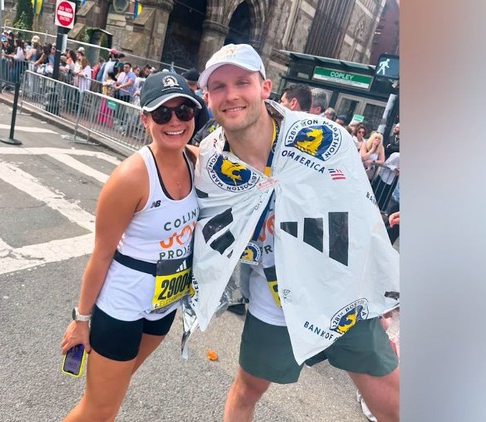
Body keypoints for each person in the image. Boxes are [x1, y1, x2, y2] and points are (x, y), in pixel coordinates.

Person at [190, 44, 400, 422]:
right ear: (207, 98)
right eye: (218, 87)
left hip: (340, 297)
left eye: (243, 82)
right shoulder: (210, 160)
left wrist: (377, 294)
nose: (231, 94)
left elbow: (361, 219)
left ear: (265, 87)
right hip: (275, 306)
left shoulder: (321, 137)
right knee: (246, 391)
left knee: (397, 402)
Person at [59, 71, 202, 421]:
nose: (175, 121)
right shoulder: (130, 177)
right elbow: (102, 254)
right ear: (145, 119)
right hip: (123, 303)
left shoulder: (198, 162)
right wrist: (81, 320)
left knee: (112, 395)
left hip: (165, 303)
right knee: (100, 409)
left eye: (184, 111)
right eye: (162, 113)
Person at [181, 68, 211, 141]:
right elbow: (203, 125)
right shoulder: (200, 102)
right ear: (197, 85)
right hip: (190, 144)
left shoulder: (176, 97)